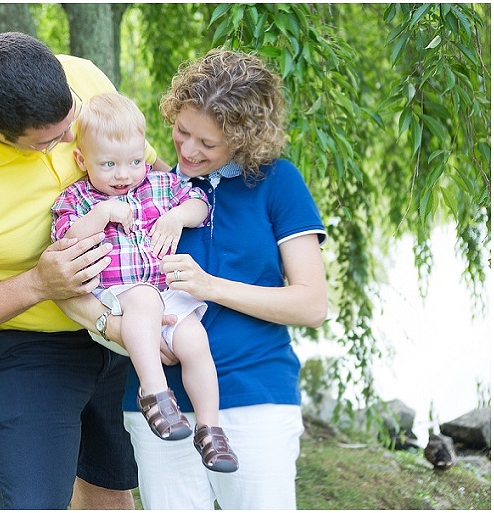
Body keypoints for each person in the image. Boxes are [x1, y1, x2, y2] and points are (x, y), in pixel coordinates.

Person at [0, 32, 166, 510]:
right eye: (51, 141)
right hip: (28, 346)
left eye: (70, 122)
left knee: (112, 487)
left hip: (124, 325)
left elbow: (148, 167)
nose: (69, 140)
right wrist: (38, 284)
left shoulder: (80, 77)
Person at [58, 49, 328, 509]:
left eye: (208, 143)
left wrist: (208, 286)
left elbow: (311, 305)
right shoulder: (143, 184)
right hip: (157, 404)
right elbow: (69, 285)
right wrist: (117, 328)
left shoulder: (278, 183)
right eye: (182, 131)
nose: (186, 150)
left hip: (255, 394)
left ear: (245, 139)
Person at [51, 92, 238, 472]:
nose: (124, 174)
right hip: (117, 295)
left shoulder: (160, 185)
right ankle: (154, 392)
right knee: (143, 299)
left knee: (193, 339)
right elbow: (65, 240)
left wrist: (177, 218)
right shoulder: (78, 199)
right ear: (81, 160)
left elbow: (200, 203)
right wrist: (102, 213)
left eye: (135, 161)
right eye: (109, 164)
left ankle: (210, 429)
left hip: (164, 294)